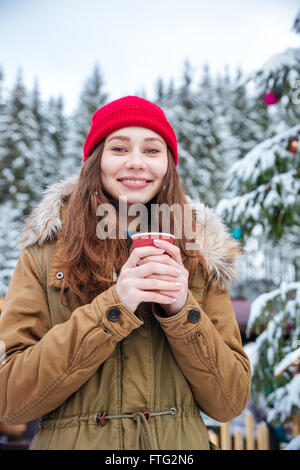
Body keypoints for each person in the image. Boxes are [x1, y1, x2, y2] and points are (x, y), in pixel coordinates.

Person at [0, 95, 251, 450]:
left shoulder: (200, 257)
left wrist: (183, 310)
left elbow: (229, 402)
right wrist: (114, 306)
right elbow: (9, 399)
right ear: (96, 161)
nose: (136, 163)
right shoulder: (44, 256)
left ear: (168, 165)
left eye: (152, 151)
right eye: (119, 148)